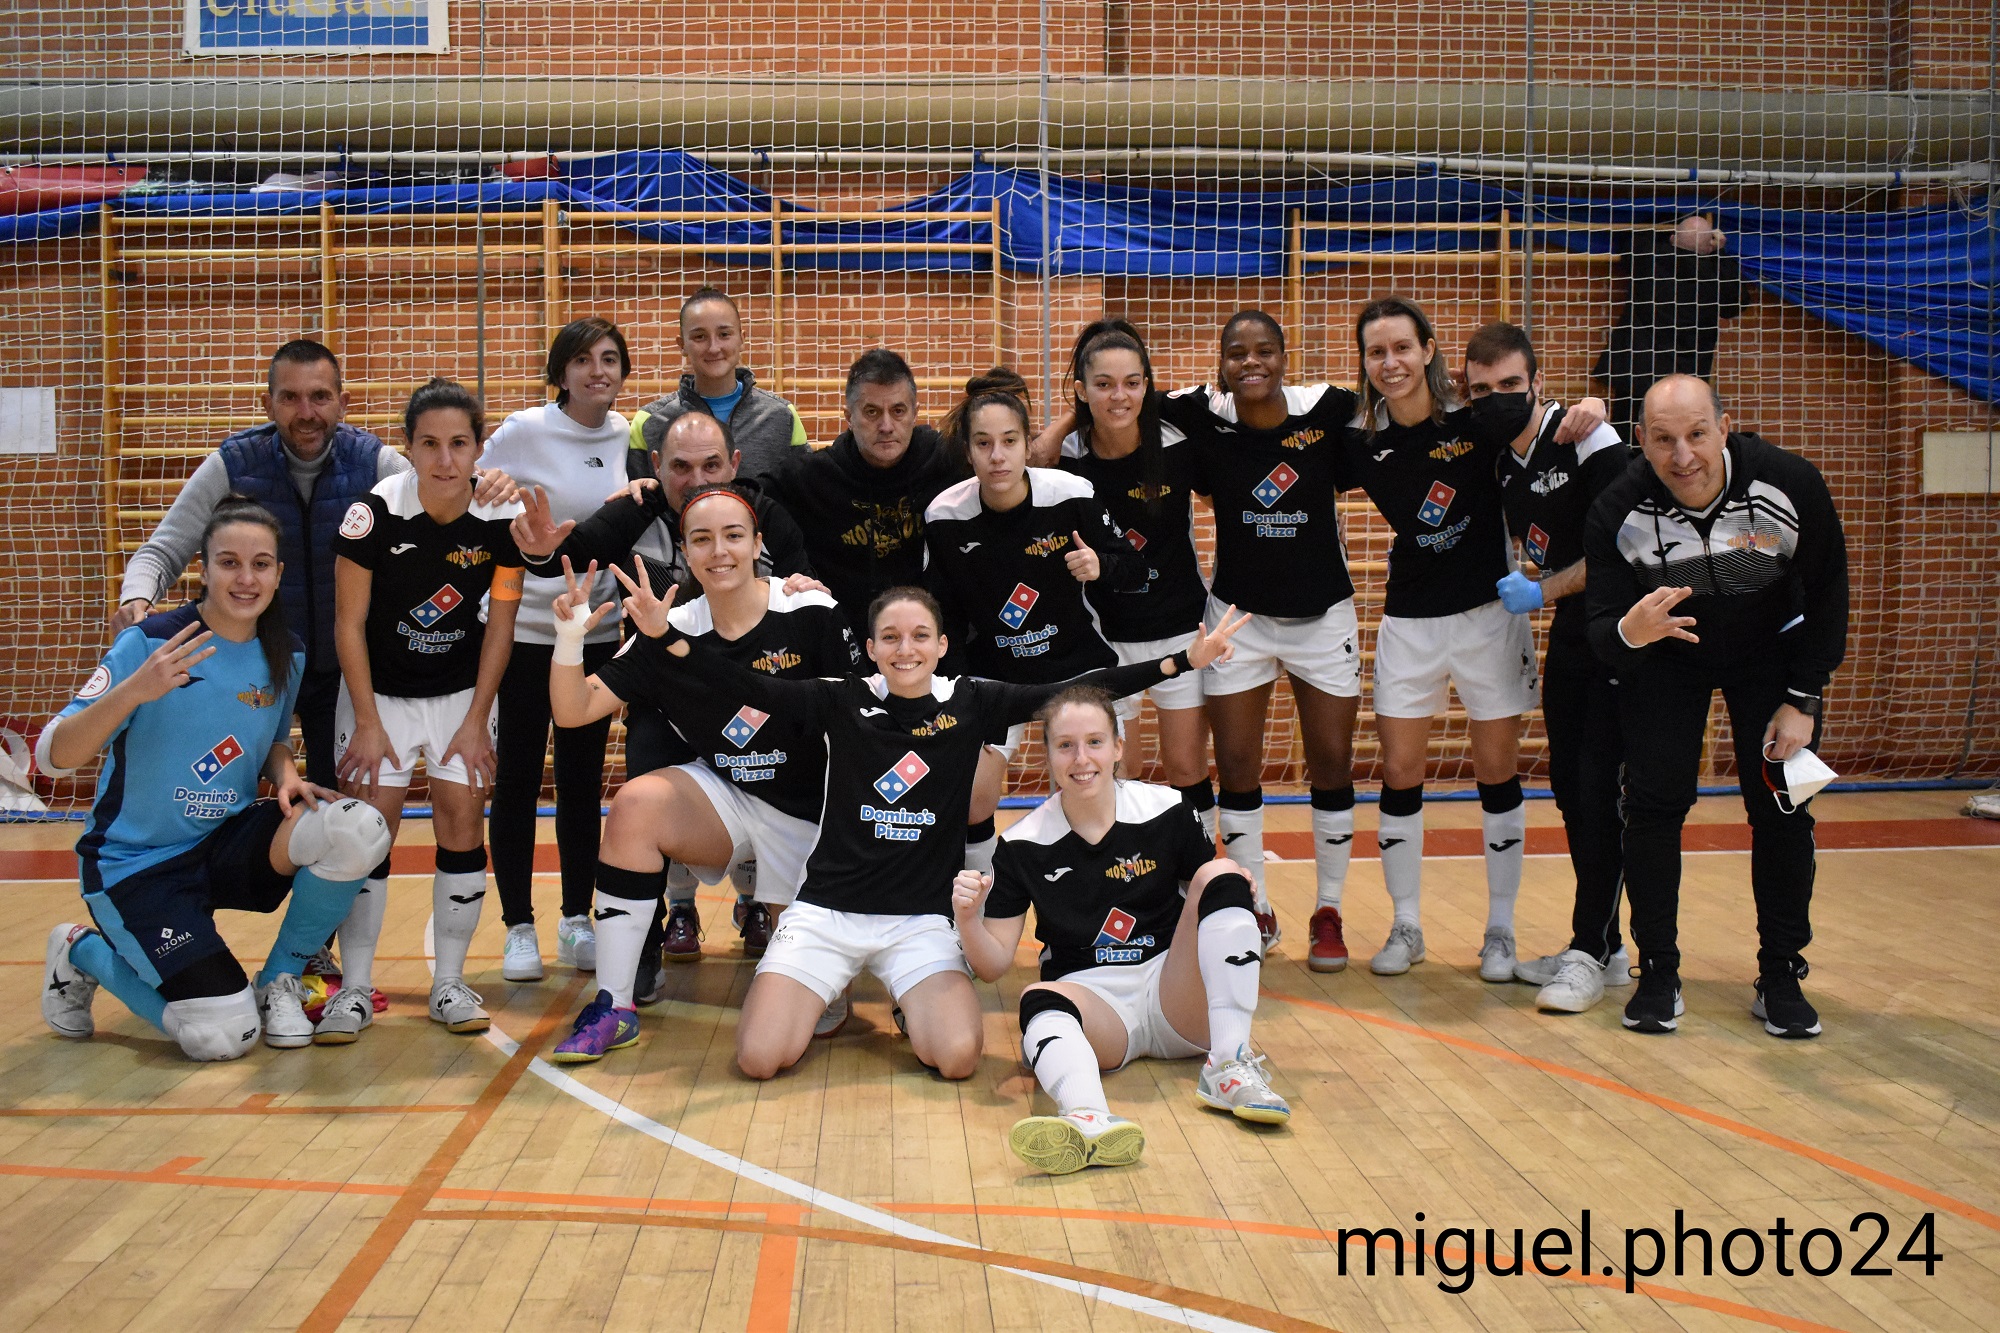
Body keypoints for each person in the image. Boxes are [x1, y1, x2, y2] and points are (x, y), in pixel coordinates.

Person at [572, 575, 1245, 1083]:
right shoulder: (840, 699)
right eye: (890, 637)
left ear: (942, 645)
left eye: (920, 635)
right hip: (828, 912)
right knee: (758, 1058)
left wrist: (1183, 661)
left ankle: (908, 996)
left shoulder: (972, 701)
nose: (906, 648)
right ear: (870, 648)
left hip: (919, 921)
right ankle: (840, 988)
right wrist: (666, 638)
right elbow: (744, 686)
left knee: (957, 1058)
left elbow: (1078, 687)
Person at [38, 497, 392, 1059]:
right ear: (203, 569)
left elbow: (270, 740)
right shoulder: (152, 643)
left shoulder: (287, 653)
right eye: (229, 563)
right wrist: (135, 690)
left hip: (222, 842)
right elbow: (52, 756)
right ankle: (80, 950)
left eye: (260, 564)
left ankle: (279, 980)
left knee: (358, 827)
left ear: (278, 574)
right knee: (223, 1037)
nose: (246, 578)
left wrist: (285, 773)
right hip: (136, 865)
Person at [541, 487, 862, 1061]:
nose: (719, 551)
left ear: (758, 545)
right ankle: (614, 1005)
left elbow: (865, 722)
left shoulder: (809, 610)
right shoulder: (668, 625)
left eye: (734, 536)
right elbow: (573, 711)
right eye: (702, 539)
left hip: (812, 813)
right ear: (685, 553)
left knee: (818, 1011)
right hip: (727, 798)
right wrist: (568, 638)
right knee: (636, 805)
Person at [1341, 297, 1607, 981]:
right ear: (1364, 363)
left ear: (1429, 350)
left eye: (1403, 347)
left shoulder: (1479, 418)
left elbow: (1548, 426)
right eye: (1376, 352)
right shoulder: (1360, 440)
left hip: (1489, 615)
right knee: (1400, 771)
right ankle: (1406, 924)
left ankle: (1500, 932)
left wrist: (1594, 407)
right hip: (1409, 621)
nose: (1391, 362)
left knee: (1496, 770)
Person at [112, 340, 513, 788]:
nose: (306, 412)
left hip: (342, 673)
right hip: (254, 662)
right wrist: (136, 597)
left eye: (320, 397)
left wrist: (487, 482)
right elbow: (162, 549)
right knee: (224, 789)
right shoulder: (232, 465)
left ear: (343, 403)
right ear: (268, 404)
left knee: (339, 807)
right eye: (290, 398)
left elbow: (441, 483)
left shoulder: (375, 462)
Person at [1586, 375, 1848, 1038]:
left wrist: (1804, 697)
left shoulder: (1790, 484)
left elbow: (1829, 594)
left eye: (1697, 434)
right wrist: (1630, 633)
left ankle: (1781, 973)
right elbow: (1602, 629)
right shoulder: (1616, 508)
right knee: (1652, 808)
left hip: (1772, 657)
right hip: (1667, 654)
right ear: (1640, 440)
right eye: (1663, 440)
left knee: (1784, 807)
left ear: (1724, 428)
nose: (1683, 456)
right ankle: (1658, 972)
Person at [513, 410, 818, 972]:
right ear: (656, 467)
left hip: (765, 723)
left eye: (711, 466)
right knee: (642, 787)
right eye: (681, 467)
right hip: (672, 695)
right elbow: (572, 552)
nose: (696, 480)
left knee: (805, 985)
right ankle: (643, 947)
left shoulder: (776, 540)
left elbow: (801, 592)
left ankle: (785, 902)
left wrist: (804, 588)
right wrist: (552, 589)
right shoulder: (638, 514)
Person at [955, 686, 1288, 1176]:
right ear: (1047, 755)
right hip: (1096, 1006)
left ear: (1118, 747)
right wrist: (967, 919)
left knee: (1222, 874)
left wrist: (1234, 883)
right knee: (1038, 1000)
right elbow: (993, 965)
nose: (1081, 758)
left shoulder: (1167, 810)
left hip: (1174, 992)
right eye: (1065, 745)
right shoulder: (1022, 844)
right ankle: (1088, 1117)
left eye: (1094, 742)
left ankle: (1229, 1065)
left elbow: (1210, 894)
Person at [1157, 311, 1368, 961]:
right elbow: (1129, 399)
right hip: (1238, 619)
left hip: (1322, 616)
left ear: (1284, 356)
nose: (1251, 362)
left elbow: (1403, 402)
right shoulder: (1203, 415)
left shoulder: (1329, 408)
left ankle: (1328, 910)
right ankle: (1256, 904)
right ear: (1221, 362)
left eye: (1265, 350)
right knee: (1238, 765)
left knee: (1330, 761)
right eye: (1237, 353)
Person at [329, 380, 525, 1038]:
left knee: (462, 822)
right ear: (408, 447)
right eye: (430, 444)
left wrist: (476, 720)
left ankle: (450, 983)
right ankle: (355, 987)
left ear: (479, 448)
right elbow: (348, 623)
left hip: (460, 697)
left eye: (459, 443)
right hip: (378, 696)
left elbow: (502, 625)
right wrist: (366, 720)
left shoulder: (500, 516)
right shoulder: (373, 514)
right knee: (365, 832)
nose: (445, 459)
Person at [1468, 323, 1634, 1014]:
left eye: (1511, 384)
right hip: (1571, 631)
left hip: (1624, 632)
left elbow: (1628, 545)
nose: (1499, 397)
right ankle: (1607, 947)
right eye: (1483, 389)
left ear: (1537, 382)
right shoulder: (1500, 460)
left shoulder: (1586, 435)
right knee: (1570, 789)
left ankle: (1589, 950)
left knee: (1601, 791)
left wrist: (1545, 589)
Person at [922, 378, 1145, 873]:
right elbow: (944, 615)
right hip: (996, 677)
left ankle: (1098, 893)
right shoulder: (944, 516)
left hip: (1078, 666)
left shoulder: (1071, 495)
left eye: (1009, 441)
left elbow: (1134, 570)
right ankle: (977, 905)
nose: (997, 456)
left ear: (1028, 444)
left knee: (1105, 787)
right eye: (983, 443)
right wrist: (956, 691)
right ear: (968, 451)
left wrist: (1101, 567)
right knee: (972, 800)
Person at [477, 317, 635, 982]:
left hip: (593, 634)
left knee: (580, 782)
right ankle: (518, 926)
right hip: (522, 633)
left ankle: (576, 919)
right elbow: (472, 491)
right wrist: (491, 493)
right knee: (516, 778)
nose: (598, 371)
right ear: (561, 371)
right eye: (584, 359)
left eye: (610, 358)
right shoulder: (524, 429)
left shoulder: (630, 435)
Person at [1056, 321, 1215, 840]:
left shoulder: (1178, 440)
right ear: (1082, 391)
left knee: (1186, 767)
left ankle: (1198, 869)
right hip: (1105, 635)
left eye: (1131, 382)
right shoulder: (1069, 456)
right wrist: (1065, 423)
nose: (1118, 396)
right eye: (1103, 384)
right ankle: (1119, 869)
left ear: (1147, 384)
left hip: (1178, 625)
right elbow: (1031, 457)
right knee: (1120, 768)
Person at [768, 349, 958, 634]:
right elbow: (743, 502)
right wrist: (787, 573)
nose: (886, 426)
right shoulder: (813, 477)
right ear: (849, 417)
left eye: (898, 411)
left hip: (929, 639)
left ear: (915, 413)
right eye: (872, 412)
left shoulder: (945, 460)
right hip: (845, 640)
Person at [628, 287, 810, 482]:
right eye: (700, 337)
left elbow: (804, 491)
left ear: (742, 339)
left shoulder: (782, 415)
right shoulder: (649, 421)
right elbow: (640, 495)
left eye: (724, 334)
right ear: (682, 345)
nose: (713, 348)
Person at [1593, 213, 1744, 441]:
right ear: (1709, 247)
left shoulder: (1649, 258)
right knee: (1676, 442)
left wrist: (1669, 226)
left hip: (1637, 375)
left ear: (1673, 238)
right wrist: (1720, 252)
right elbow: (1736, 303)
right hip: (1685, 383)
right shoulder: (1714, 275)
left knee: (1628, 442)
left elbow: (1633, 238)